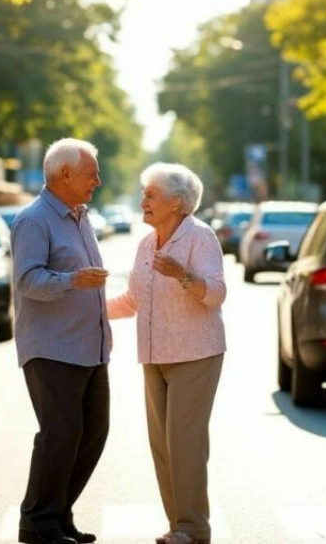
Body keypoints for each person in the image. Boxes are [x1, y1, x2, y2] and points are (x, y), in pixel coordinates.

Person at [107, 163, 226, 544]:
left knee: (185, 442)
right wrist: (86, 307)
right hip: (154, 357)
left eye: (151, 195)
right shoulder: (146, 244)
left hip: (196, 354)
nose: (144, 201)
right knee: (162, 445)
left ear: (177, 203)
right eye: (144, 194)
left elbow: (216, 294)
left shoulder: (200, 237)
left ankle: (194, 528)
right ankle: (179, 525)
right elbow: (133, 301)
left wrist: (182, 275)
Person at [11, 138, 112, 544]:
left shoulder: (80, 215)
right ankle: (37, 524)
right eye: (92, 173)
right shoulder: (34, 220)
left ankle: (58, 515)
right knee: (60, 435)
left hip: (91, 348)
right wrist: (72, 281)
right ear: (65, 173)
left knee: (92, 434)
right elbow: (26, 280)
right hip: (52, 349)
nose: (98, 180)